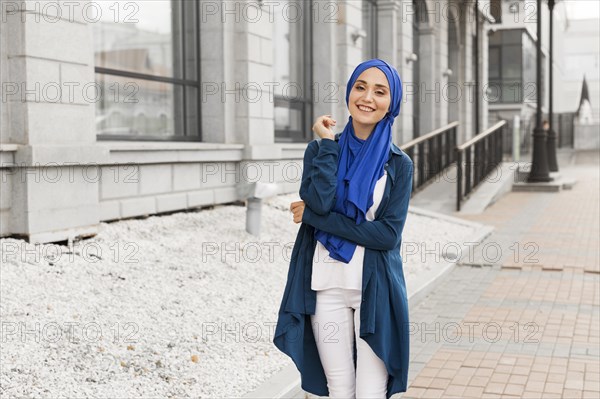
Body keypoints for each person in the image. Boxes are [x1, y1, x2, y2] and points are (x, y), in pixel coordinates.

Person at [273, 59, 414, 399]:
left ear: (391, 103)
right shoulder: (322, 149)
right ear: (349, 92)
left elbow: (386, 236)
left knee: (370, 392)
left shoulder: (399, 164)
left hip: (374, 288)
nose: (367, 97)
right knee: (338, 389)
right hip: (326, 285)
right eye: (360, 87)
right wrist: (325, 143)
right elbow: (320, 200)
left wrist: (314, 219)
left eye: (380, 91)